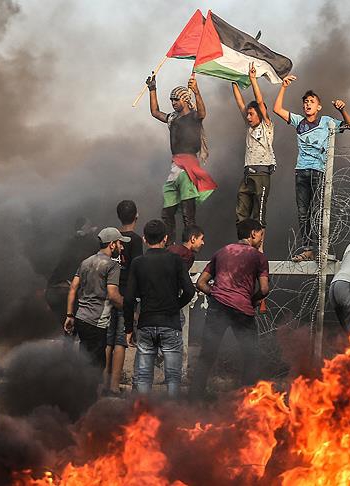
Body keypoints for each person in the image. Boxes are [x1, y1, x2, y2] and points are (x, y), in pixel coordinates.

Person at [273, 75, 350, 262]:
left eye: (312, 101)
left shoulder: (327, 122)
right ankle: (308, 249)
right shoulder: (299, 122)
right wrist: (283, 86)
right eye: (305, 102)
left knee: (319, 210)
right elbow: (277, 109)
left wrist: (343, 110)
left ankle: (322, 249)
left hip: (319, 172)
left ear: (318, 106)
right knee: (303, 213)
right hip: (301, 171)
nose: (308, 104)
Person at [192, 219, 269, 399]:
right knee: (251, 356)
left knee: (206, 355)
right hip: (242, 310)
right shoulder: (258, 257)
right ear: (253, 234)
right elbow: (264, 289)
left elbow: (200, 283)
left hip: (217, 307)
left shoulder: (222, 252)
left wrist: (216, 294)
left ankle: (193, 400)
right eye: (260, 235)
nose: (261, 239)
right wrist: (251, 299)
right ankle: (246, 401)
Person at [124, 219, 196, 398]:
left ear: (144, 239)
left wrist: (128, 328)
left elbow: (129, 298)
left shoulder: (138, 263)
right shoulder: (176, 260)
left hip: (146, 322)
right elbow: (189, 290)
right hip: (170, 323)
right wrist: (174, 306)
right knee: (173, 377)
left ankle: (142, 417)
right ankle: (172, 418)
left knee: (143, 377)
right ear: (165, 238)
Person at [146, 72, 217, 244]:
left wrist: (197, 91)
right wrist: (152, 89)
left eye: (176, 99)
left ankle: (188, 247)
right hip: (175, 167)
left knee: (188, 213)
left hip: (188, 167)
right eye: (171, 100)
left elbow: (202, 112)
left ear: (185, 99)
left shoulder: (193, 117)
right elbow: (155, 112)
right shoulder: (172, 118)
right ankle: (169, 246)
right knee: (167, 212)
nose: (173, 103)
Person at [63, 228, 128, 369]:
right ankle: (90, 391)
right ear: (111, 245)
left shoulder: (86, 262)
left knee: (84, 361)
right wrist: (128, 307)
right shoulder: (112, 266)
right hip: (96, 323)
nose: (121, 247)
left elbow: (73, 287)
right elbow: (113, 295)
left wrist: (69, 315)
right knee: (96, 368)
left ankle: (80, 389)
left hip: (81, 318)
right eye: (119, 243)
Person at [103, 201, 143, 394]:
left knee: (108, 340)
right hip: (126, 296)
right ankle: (113, 386)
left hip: (108, 293)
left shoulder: (111, 238)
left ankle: (104, 383)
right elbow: (137, 269)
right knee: (120, 341)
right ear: (136, 215)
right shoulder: (135, 240)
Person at [231, 63, 276, 226]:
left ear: (260, 114)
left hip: (261, 175)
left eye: (251, 114)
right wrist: (233, 79)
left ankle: (259, 249)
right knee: (241, 213)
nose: (248, 117)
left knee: (259, 215)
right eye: (247, 114)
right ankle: (243, 245)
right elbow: (240, 102)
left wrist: (252, 80)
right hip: (247, 174)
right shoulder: (249, 127)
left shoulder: (266, 127)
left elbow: (260, 101)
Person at [45, 217, 99, 326]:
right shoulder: (90, 243)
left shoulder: (69, 242)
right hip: (72, 288)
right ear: (84, 227)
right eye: (88, 225)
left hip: (55, 288)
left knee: (68, 323)